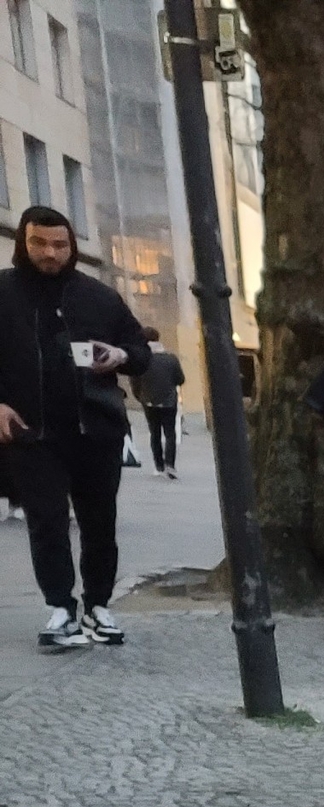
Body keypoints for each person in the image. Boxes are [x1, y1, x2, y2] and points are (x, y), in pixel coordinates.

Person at [0, 206, 151, 651]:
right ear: (23, 244)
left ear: (73, 246)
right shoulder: (4, 294)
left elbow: (139, 348)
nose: (51, 253)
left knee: (100, 523)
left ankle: (99, 607)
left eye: (60, 245)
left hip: (96, 430)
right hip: (33, 433)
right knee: (46, 523)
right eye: (40, 244)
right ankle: (61, 609)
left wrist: (121, 356)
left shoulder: (99, 297)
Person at [130, 326, 184, 477]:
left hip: (148, 401)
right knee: (170, 433)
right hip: (168, 401)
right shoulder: (171, 359)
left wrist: (140, 397)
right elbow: (180, 379)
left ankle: (158, 466)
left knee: (154, 433)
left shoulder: (141, 360)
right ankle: (170, 465)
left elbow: (134, 380)